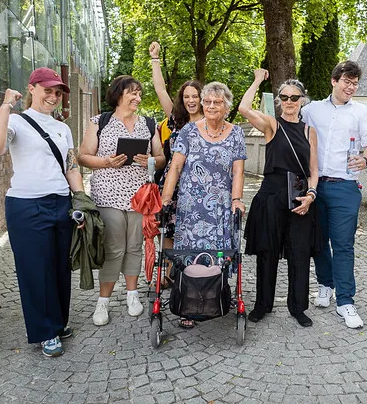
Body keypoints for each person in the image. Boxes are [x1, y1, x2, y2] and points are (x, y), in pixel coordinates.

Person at [0, 67, 84, 357]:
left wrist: (80, 201)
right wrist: (5, 105)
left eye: (57, 92)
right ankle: (44, 331)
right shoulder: (16, 120)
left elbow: (71, 166)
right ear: (32, 89)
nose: (53, 96)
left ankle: (58, 321)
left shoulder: (62, 128)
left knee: (59, 267)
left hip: (61, 203)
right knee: (35, 269)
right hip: (26, 205)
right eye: (47, 90)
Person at [78, 75, 165, 327]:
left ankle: (132, 295)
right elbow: (83, 157)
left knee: (135, 246)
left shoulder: (149, 124)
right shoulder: (99, 122)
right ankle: (103, 301)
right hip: (108, 195)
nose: (138, 98)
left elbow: (161, 158)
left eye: (139, 93)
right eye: (133, 93)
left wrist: (148, 159)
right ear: (119, 95)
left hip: (140, 196)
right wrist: (106, 161)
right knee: (114, 248)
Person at [161, 81, 246, 328]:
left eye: (217, 102)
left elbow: (238, 171)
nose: (210, 106)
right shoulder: (188, 131)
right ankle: (189, 307)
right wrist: (166, 199)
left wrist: (237, 199)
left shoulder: (236, 133)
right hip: (190, 208)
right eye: (207, 101)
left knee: (220, 253)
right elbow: (175, 167)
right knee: (189, 254)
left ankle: (215, 298)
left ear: (226, 107)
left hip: (220, 207)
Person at [238, 69, 319, 327]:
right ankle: (263, 304)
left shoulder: (309, 132)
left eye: (294, 98)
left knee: (299, 252)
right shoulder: (272, 124)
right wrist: (257, 80)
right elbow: (243, 108)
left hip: (298, 195)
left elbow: (314, 172)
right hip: (272, 194)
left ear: (302, 100)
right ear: (279, 100)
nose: (289, 102)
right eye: (284, 97)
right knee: (267, 252)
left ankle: (298, 307)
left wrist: (311, 195)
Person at [301, 60, 367, 329]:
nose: (351, 87)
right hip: (315, 185)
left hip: (345, 187)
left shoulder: (361, 112)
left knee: (343, 245)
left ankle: (346, 302)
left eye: (355, 83)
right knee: (319, 242)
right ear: (334, 81)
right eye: (347, 81)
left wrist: (366, 160)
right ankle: (325, 285)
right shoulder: (311, 110)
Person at [149, 41, 204, 284]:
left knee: (193, 231)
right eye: (187, 96)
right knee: (168, 229)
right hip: (173, 183)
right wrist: (155, 59)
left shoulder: (211, 121)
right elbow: (160, 90)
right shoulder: (176, 119)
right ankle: (169, 273)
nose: (191, 100)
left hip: (199, 186)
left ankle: (192, 273)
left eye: (195, 96)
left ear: (203, 98)